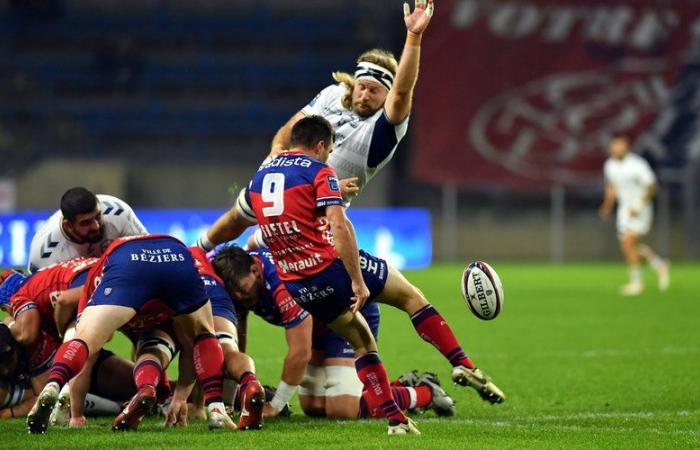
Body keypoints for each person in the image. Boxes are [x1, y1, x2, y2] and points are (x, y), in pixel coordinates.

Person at [246, 115, 505, 435]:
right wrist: (356, 279)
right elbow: (340, 226)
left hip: (300, 285)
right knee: (411, 297)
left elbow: (284, 210)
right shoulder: (319, 170)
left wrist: (326, 191)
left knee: (363, 345)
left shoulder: (260, 178)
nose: (329, 157)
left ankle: (397, 420)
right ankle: (463, 363)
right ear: (320, 145)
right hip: (331, 269)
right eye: (329, 150)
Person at [195, 0, 435, 251]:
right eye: (362, 87)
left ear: (386, 95)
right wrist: (276, 148)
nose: (365, 95)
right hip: (286, 184)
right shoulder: (334, 94)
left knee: (264, 255)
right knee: (237, 216)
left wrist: (414, 36)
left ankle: (254, 247)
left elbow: (401, 92)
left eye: (374, 91)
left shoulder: (384, 127)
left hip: (321, 210)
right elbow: (296, 124)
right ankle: (197, 251)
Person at [212, 245, 456, 420]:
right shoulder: (241, 278)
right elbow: (237, 338)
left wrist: (276, 405)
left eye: (244, 290)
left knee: (342, 409)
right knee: (314, 407)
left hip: (347, 316)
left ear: (256, 270)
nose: (241, 297)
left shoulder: (280, 282)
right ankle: (398, 385)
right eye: (236, 295)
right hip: (320, 325)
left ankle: (425, 392)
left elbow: (300, 351)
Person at [26, 235, 235, 434]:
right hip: (176, 255)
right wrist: (180, 398)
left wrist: (77, 415)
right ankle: (217, 409)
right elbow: (190, 348)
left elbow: (87, 352)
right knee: (203, 335)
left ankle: (53, 385)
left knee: (85, 339)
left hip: (127, 259)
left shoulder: (98, 276)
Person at [599, 135, 670, 295]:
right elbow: (612, 186)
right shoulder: (609, 165)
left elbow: (651, 186)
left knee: (628, 243)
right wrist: (607, 205)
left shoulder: (637, 165)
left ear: (626, 147)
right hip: (624, 210)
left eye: (620, 145)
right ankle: (659, 265)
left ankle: (637, 283)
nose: (617, 149)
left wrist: (639, 204)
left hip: (640, 208)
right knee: (628, 247)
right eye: (614, 146)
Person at [28, 187, 147, 273]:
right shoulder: (44, 254)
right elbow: (39, 297)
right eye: (86, 223)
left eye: (98, 216)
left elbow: (146, 254)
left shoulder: (118, 212)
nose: (96, 226)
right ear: (68, 225)